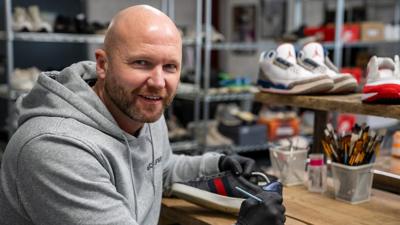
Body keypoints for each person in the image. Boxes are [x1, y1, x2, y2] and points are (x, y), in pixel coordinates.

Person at [0, 5, 285, 225]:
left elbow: (160, 169)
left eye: (170, 67)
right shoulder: (55, 148)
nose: (158, 82)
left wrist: (217, 162)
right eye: (141, 63)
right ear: (103, 65)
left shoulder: (141, 107)